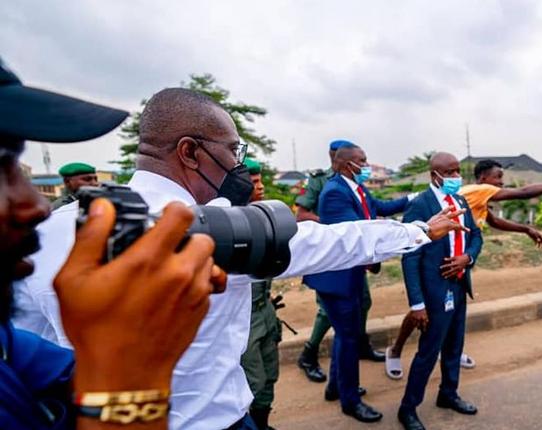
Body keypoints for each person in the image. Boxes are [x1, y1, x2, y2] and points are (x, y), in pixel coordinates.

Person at [14, 88, 468, 429]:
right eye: (232, 150)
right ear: (190, 151)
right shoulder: (219, 231)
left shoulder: (45, 232)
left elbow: (30, 348)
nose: (237, 164)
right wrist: (419, 231)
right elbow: (331, 241)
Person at [0, 58, 227, 429]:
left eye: (16, 167)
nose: (36, 206)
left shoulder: (9, 346)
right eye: (0, 168)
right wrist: (132, 397)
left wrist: (127, 341)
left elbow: (73, 376)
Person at [384, 159, 542, 379]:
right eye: (498, 177)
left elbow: (493, 221)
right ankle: (396, 350)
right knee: (423, 309)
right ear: (484, 178)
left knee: (450, 310)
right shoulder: (480, 189)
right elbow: (523, 192)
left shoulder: (475, 197)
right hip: (438, 260)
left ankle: (449, 351)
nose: (501, 182)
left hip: (459, 260)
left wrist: (524, 228)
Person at [301, 143, 413, 423]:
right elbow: (361, 232)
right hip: (335, 279)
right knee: (349, 338)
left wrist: (414, 198)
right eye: (361, 161)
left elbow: (381, 208)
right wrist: (412, 234)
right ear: (344, 164)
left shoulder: (357, 188)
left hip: (348, 275)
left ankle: (336, 387)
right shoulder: (334, 192)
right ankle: (350, 401)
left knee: (345, 335)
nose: (366, 165)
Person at [397, 152, 483, 430]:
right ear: (435, 175)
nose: (456, 178)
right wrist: (417, 304)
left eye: (458, 171)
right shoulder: (421, 206)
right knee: (428, 351)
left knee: (455, 346)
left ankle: (448, 393)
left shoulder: (460, 201)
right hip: (434, 292)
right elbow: (409, 257)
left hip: (458, 285)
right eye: (451, 172)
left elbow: (476, 236)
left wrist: (467, 258)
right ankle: (408, 408)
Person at [296, 139, 385, 385]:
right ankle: (309, 354)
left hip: (354, 260)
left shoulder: (356, 183)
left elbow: (370, 211)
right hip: (331, 261)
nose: (364, 165)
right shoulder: (320, 181)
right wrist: (332, 226)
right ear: (336, 158)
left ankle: (359, 347)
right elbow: (301, 215)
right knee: (329, 313)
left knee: (362, 303)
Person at [239, 158, 280, 430]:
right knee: (252, 380)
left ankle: (263, 425)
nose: (262, 187)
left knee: (270, 375)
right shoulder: (230, 224)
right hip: (245, 319)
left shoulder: (262, 217)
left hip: (265, 309)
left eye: (262, 180)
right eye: (255, 183)